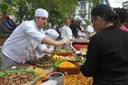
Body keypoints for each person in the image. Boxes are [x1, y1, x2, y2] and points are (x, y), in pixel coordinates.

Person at [1, 8, 70, 68]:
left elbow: (40, 44)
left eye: (46, 19)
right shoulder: (27, 25)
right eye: (43, 19)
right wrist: (59, 43)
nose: (45, 21)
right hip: (10, 55)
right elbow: (40, 37)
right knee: (9, 77)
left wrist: (51, 52)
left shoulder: (40, 30)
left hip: (21, 57)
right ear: (36, 18)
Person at [80, 4, 128, 85]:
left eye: (92, 21)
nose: (92, 24)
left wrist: (80, 66)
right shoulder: (126, 34)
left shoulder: (97, 39)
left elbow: (88, 72)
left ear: (98, 19)